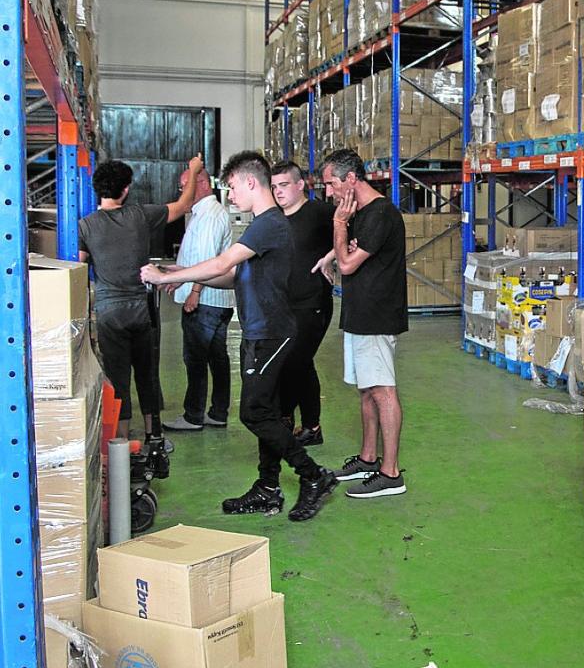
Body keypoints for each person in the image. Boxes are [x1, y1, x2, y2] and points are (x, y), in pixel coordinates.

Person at [141, 151, 337, 521]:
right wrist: (186, 273)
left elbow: (223, 263)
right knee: (272, 413)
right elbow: (233, 277)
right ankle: (268, 488)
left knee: (253, 413)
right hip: (261, 330)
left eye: (231, 187)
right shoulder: (262, 225)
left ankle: (313, 475)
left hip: (270, 333)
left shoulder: (268, 224)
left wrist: (166, 277)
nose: (230, 196)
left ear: (250, 182)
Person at [78, 156, 204, 478]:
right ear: (126, 189)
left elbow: (79, 269)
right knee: (146, 375)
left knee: (118, 380)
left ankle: (121, 446)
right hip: (140, 309)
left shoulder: (85, 226)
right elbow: (185, 203)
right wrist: (193, 170)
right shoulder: (140, 215)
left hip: (108, 313)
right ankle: (154, 438)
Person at [320, 148, 409, 499]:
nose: (329, 193)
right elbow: (345, 254)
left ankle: (391, 473)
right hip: (359, 312)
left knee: (382, 389)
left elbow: (347, 265)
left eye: (331, 184)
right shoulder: (361, 213)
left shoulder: (379, 214)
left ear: (351, 179)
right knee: (366, 389)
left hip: (376, 314)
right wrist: (334, 250)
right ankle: (369, 457)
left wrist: (339, 228)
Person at [164, 166, 235, 432]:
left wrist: (193, 292)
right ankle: (217, 412)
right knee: (217, 359)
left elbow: (208, 262)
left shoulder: (209, 216)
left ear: (203, 183)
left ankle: (193, 416)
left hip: (205, 301)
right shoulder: (203, 213)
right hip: (214, 300)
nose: (183, 192)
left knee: (195, 360)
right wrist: (179, 276)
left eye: (186, 185)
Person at [271, 161, 336, 447]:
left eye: (284, 185)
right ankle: (297, 422)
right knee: (292, 362)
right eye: (274, 187)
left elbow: (358, 229)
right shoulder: (275, 218)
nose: (278, 192)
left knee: (296, 361)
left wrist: (332, 256)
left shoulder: (320, 213)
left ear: (300, 186)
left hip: (313, 303)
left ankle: (305, 423)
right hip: (283, 305)